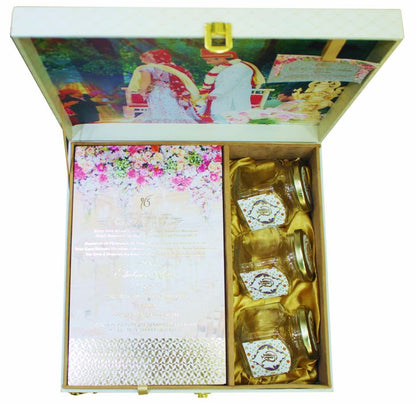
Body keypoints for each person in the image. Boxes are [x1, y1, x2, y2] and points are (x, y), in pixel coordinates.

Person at [127, 49, 200, 123]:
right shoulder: (173, 67)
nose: (143, 61)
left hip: (158, 92)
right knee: (173, 111)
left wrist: (142, 91)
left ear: (153, 58)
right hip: (172, 92)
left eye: (144, 59)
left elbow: (146, 82)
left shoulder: (148, 68)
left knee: (158, 111)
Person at [199, 49, 265, 123]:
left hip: (234, 103)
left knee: (231, 121)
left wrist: (213, 94)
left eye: (208, 60)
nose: (208, 63)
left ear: (219, 58)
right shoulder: (223, 68)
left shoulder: (240, 67)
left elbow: (229, 83)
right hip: (222, 102)